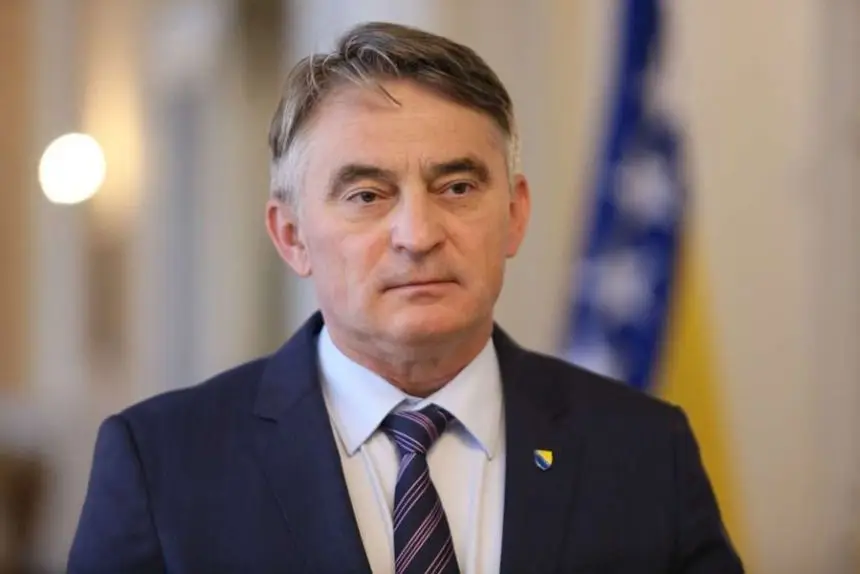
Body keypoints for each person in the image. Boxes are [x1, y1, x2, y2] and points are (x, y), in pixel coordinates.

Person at [68, 21, 743, 574]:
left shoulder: (644, 450)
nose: (418, 236)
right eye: (367, 195)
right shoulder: (163, 464)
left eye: (457, 188)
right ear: (292, 235)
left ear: (514, 215)